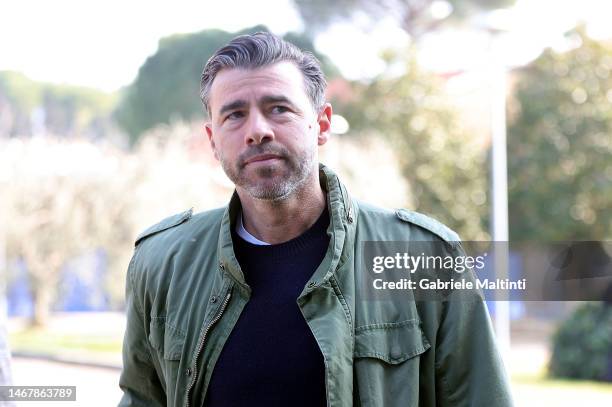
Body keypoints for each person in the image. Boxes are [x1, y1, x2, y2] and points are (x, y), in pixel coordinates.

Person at [118, 32, 513, 407]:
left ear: (321, 124)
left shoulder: (422, 254)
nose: (257, 130)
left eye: (278, 108)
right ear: (212, 140)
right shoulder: (162, 264)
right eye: (234, 115)